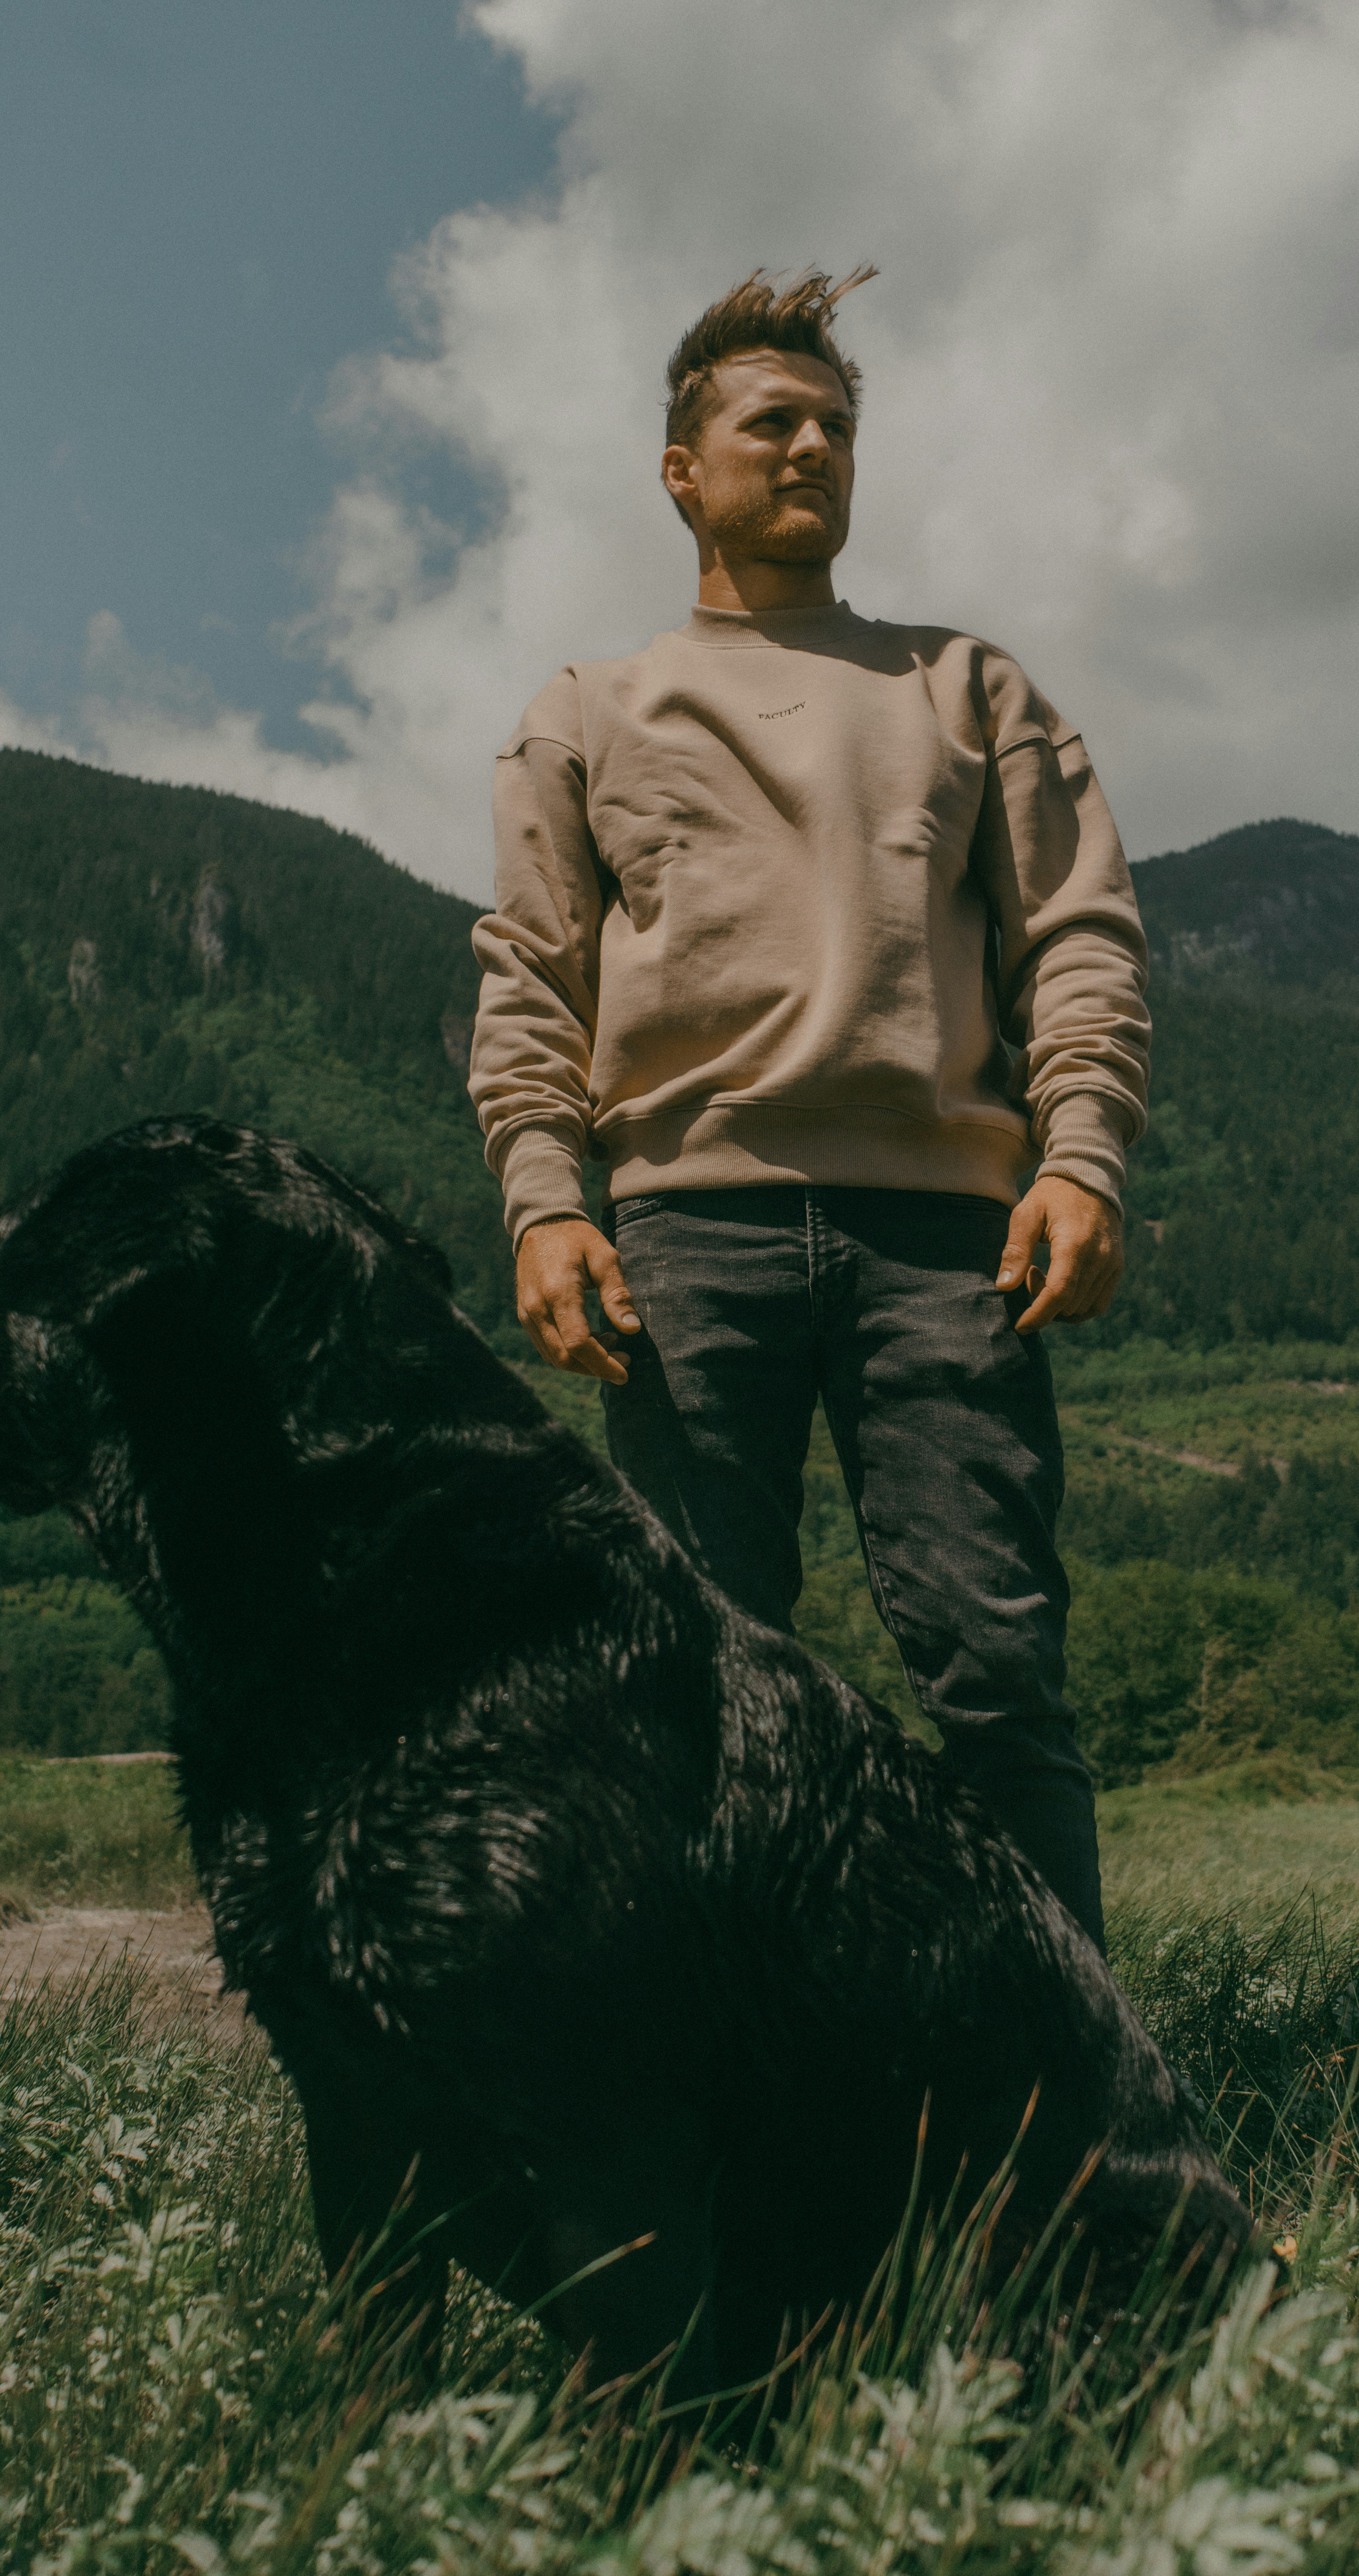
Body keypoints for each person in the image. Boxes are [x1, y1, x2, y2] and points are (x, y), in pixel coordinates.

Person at [466, 269, 1149, 1949]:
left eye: (835, 424)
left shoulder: (968, 689)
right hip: (683, 1239)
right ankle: (724, 2093)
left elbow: (1079, 935)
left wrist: (1081, 1155)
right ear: (679, 470)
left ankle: (1071, 2108)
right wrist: (546, 1202)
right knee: (691, 1677)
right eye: (770, 420)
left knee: (994, 1666)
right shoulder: (588, 710)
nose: (813, 445)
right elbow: (530, 982)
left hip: (950, 1248)